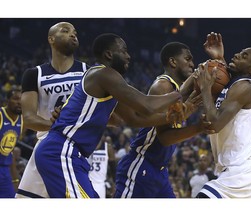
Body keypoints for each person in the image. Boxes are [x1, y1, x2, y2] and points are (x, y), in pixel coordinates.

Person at [22, 33, 193, 198]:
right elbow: (146, 105)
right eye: (124, 51)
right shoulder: (103, 74)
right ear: (109, 54)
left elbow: (134, 119)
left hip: (72, 154)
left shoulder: (107, 84)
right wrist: (182, 92)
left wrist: (171, 117)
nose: (128, 56)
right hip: (61, 150)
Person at [113, 41, 218, 198]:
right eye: (188, 59)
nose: (192, 64)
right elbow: (164, 138)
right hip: (141, 164)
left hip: (159, 170)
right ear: (173, 61)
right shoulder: (163, 86)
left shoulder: (177, 91)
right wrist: (198, 128)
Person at [16, 22, 88, 198]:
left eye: (75, 32)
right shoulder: (34, 74)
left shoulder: (88, 72)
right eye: (65, 31)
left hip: (78, 149)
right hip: (47, 146)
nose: (73, 34)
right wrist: (56, 125)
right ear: (51, 39)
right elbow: (29, 119)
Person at [195, 33, 251, 198]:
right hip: (233, 174)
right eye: (240, 52)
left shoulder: (245, 87)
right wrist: (220, 58)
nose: (236, 55)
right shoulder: (232, 86)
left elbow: (214, 124)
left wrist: (206, 88)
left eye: (244, 56)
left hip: (240, 176)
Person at [0, 89, 23, 198]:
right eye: (15, 99)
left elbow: (11, 152)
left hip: (5, 170)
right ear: (7, 101)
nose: (19, 102)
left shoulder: (22, 121)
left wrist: (15, 179)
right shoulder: (1, 115)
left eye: (21, 99)